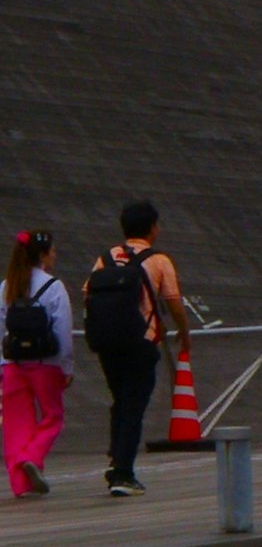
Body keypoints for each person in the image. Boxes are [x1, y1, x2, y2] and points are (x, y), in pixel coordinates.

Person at [85, 203, 189, 497]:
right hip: (141, 342)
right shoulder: (158, 260)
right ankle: (123, 474)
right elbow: (173, 302)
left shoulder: (106, 257)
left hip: (108, 342)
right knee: (134, 405)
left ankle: (116, 457)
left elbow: (87, 293)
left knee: (120, 401)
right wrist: (184, 331)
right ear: (152, 227)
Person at [2, 233, 68, 499]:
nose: (54, 255)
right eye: (52, 251)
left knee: (17, 424)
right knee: (53, 415)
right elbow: (62, 330)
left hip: (12, 364)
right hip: (45, 363)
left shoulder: (7, 286)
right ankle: (32, 456)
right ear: (42, 255)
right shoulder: (53, 287)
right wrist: (67, 367)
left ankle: (21, 484)